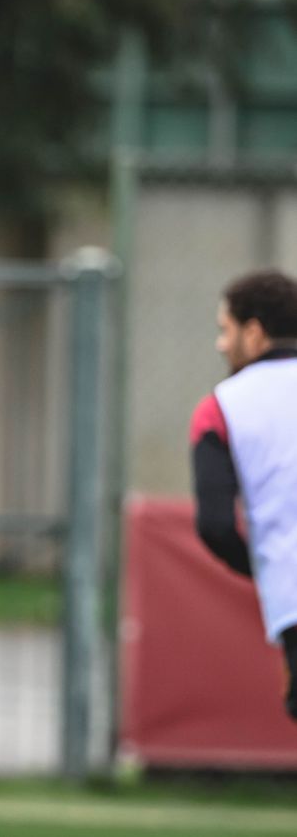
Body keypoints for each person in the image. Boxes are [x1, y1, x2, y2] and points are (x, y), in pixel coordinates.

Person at [190, 268, 297, 722]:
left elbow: (215, 524)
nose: (220, 344)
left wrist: (266, 570)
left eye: (224, 330)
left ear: (253, 333)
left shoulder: (221, 407)